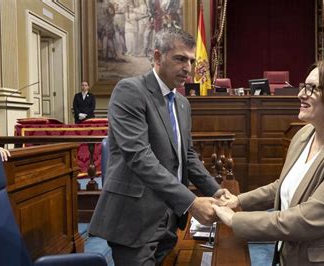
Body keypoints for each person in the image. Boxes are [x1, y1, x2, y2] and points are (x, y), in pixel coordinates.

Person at [214, 58, 324, 265]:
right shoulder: (305, 134)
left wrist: (235, 220)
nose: (301, 94)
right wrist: (239, 201)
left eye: (312, 88)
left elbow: (308, 219)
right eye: (304, 86)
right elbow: (285, 186)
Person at [89, 27, 224, 266]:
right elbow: (139, 157)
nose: (188, 68)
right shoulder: (130, 91)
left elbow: (187, 155)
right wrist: (191, 202)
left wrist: (215, 190)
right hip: (134, 218)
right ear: (158, 57)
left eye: (191, 61)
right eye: (180, 59)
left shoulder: (182, 103)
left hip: (169, 215)